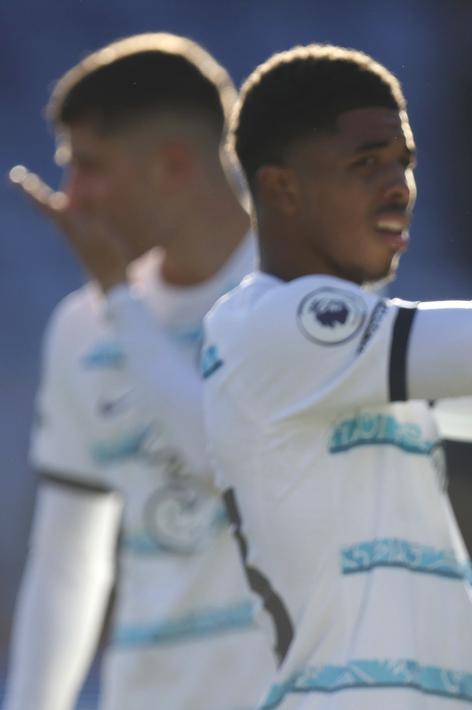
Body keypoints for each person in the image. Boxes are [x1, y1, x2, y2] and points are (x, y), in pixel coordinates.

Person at [199, 5, 472, 707]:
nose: (398, 187)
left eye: (404, 162)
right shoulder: (277, 324)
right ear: (280, 189)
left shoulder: (352, 351)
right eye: (366, 163)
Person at [4, 34, 274, 710]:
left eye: (90, 166)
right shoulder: (81, 326)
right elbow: (68, 559)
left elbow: (225, 459)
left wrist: (122, 303)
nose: (74, 197)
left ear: (174, 165)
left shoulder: (301, 297)